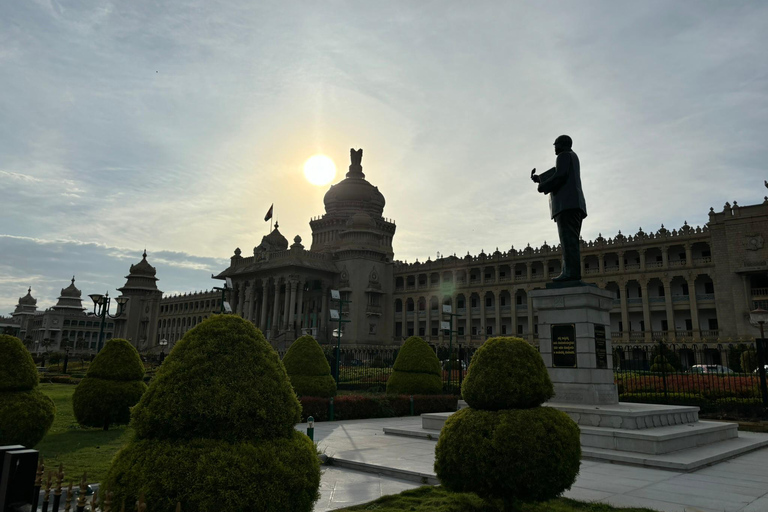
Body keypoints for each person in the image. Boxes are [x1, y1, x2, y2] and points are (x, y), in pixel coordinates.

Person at [530, 135, 587, 282]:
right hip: (574, 204)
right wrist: (540, 178)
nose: (555, 148)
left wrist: (543, 186)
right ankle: (570, 272)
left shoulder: (563, 155)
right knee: (570, 241)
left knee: (568, 241)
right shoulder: (572, 157)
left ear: (562, 145)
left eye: (556, 145)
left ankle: (570, 273)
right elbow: (557, 172)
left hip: (566, 205)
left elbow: (560, 175)